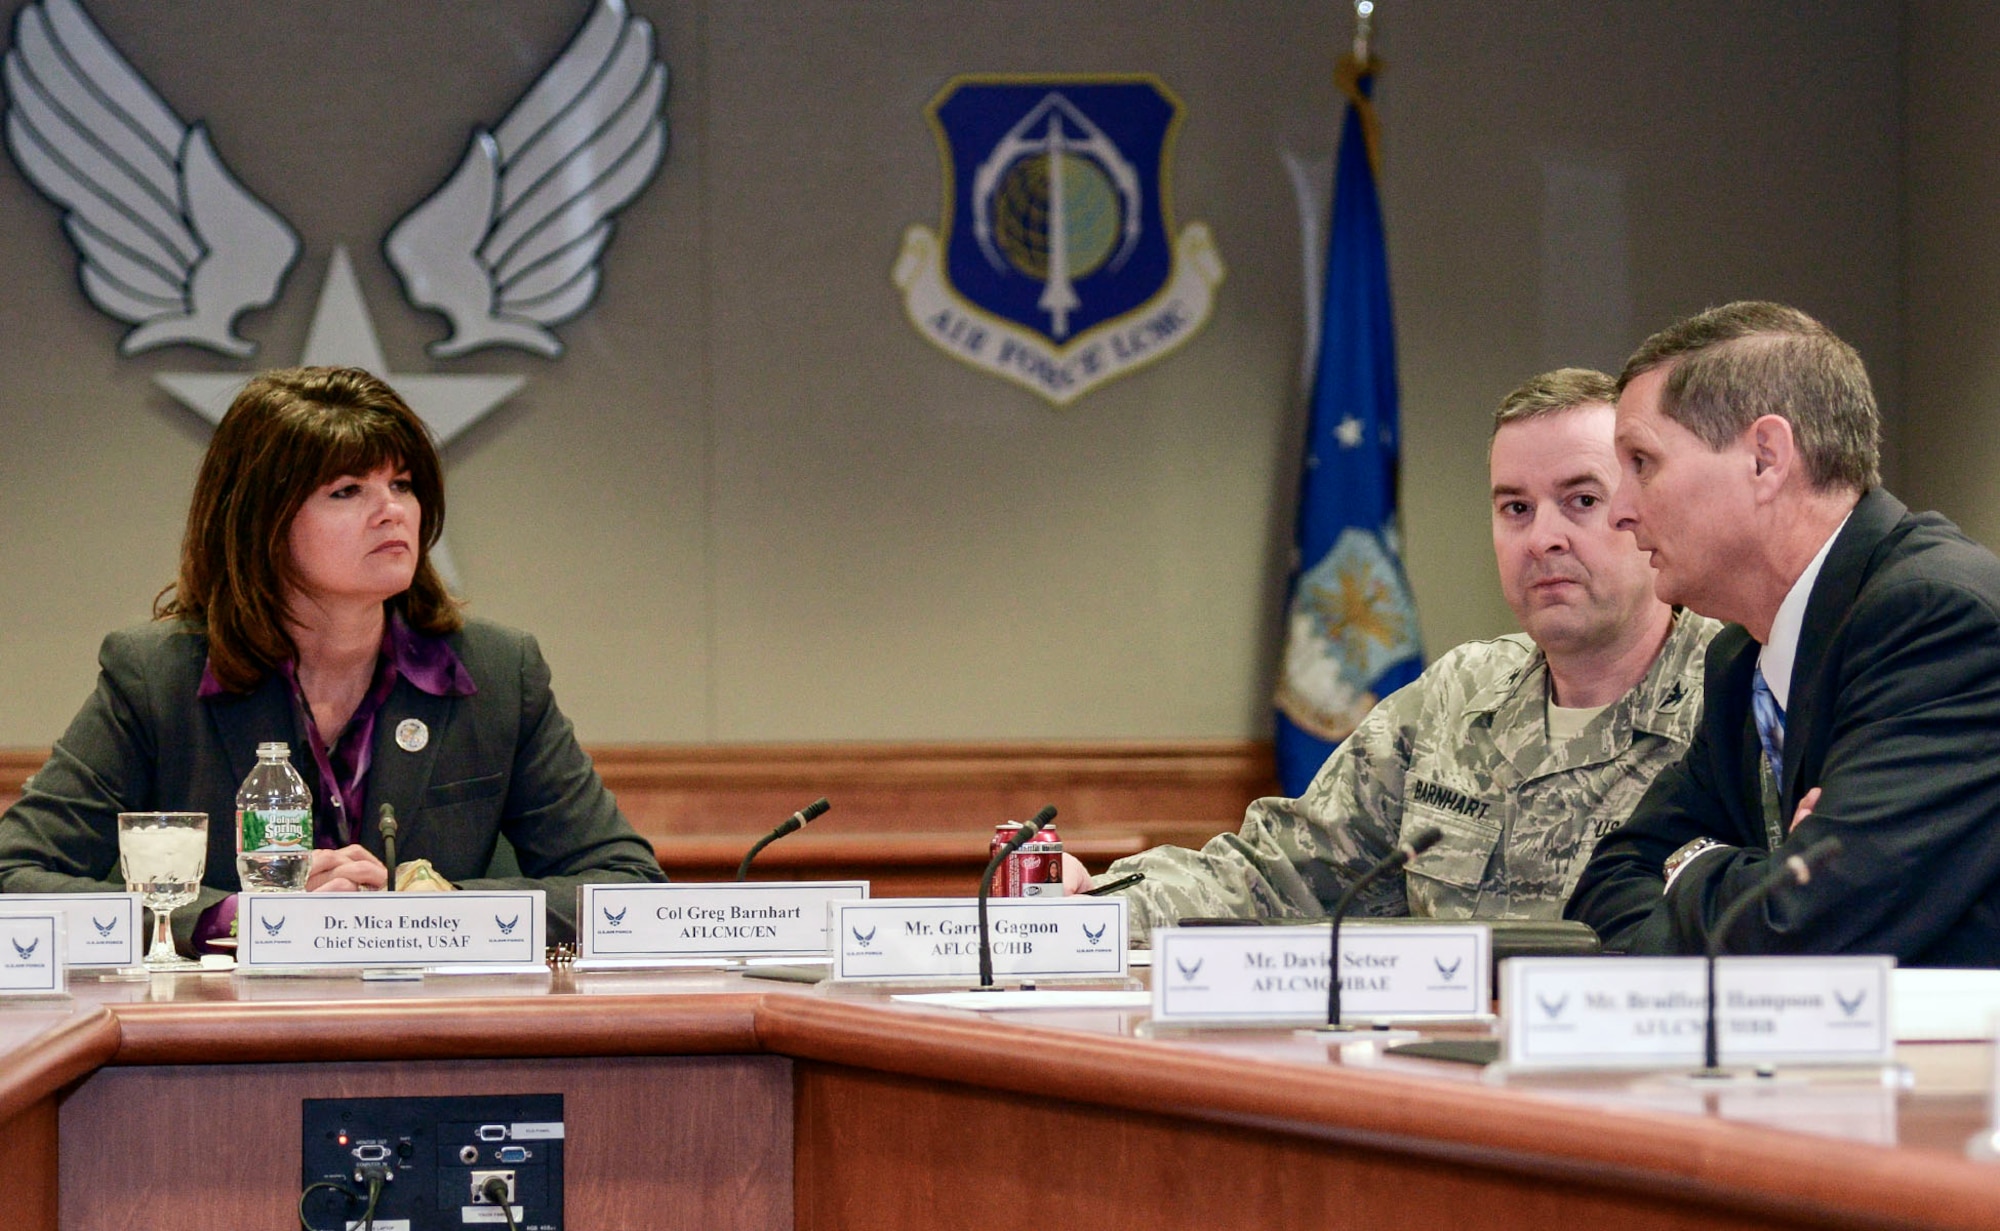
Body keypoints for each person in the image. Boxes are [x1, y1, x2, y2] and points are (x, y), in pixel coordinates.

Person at [0, 366, 664, 948]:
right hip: (223, 1049)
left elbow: (626, 885)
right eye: (348, 490)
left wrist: (439, 909)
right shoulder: (157, 677)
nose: (391, 512)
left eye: (402, 484)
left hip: (434, 1037)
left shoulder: (494, 670)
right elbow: (12, 877)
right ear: (261, 519)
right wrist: (229, 917)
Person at [1066, 370, 1720, 943]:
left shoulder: (1735, 694)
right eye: (1515, 508)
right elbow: (1276, 872)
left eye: (1582, 500)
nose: (1543, 537)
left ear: (1641, 508)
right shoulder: (1459, 696)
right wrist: (1089, 912)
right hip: (1432, 1071)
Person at [1566, 303, 2000, 964]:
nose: (1622, 509)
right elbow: (1603, 894)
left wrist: (1690, 868)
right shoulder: (1742, 657)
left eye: (1642, 462)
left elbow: (1806, 926)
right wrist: (1755, 869)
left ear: (1766, 458)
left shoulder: (1937, 619)